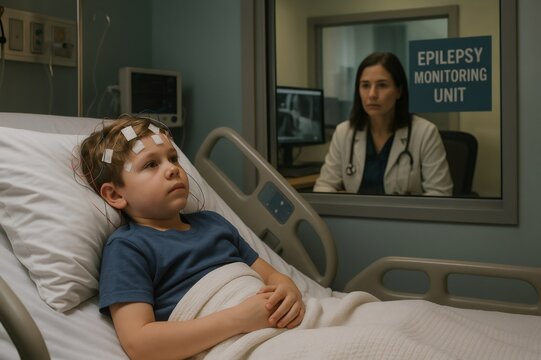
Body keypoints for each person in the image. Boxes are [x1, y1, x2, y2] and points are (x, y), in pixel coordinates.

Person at [78, 115, 305, 360]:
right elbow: (139, 343)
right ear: (114, 195)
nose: (172, 168)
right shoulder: (128, 248)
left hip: (285, 322)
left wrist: (287, 286)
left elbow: (269, 274)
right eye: (151, 164)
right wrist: (239, 319)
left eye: (173, 158)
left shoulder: (212, 223)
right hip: (242, 341)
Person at [313, 52, 453, 196]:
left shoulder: (425, 133)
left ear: (399, 91)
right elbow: (324, 186)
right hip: (356, 217)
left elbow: (440, 193)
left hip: (406, 218)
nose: (372, 94)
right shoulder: (344, 132)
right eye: (365, 85)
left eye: (382, 85)